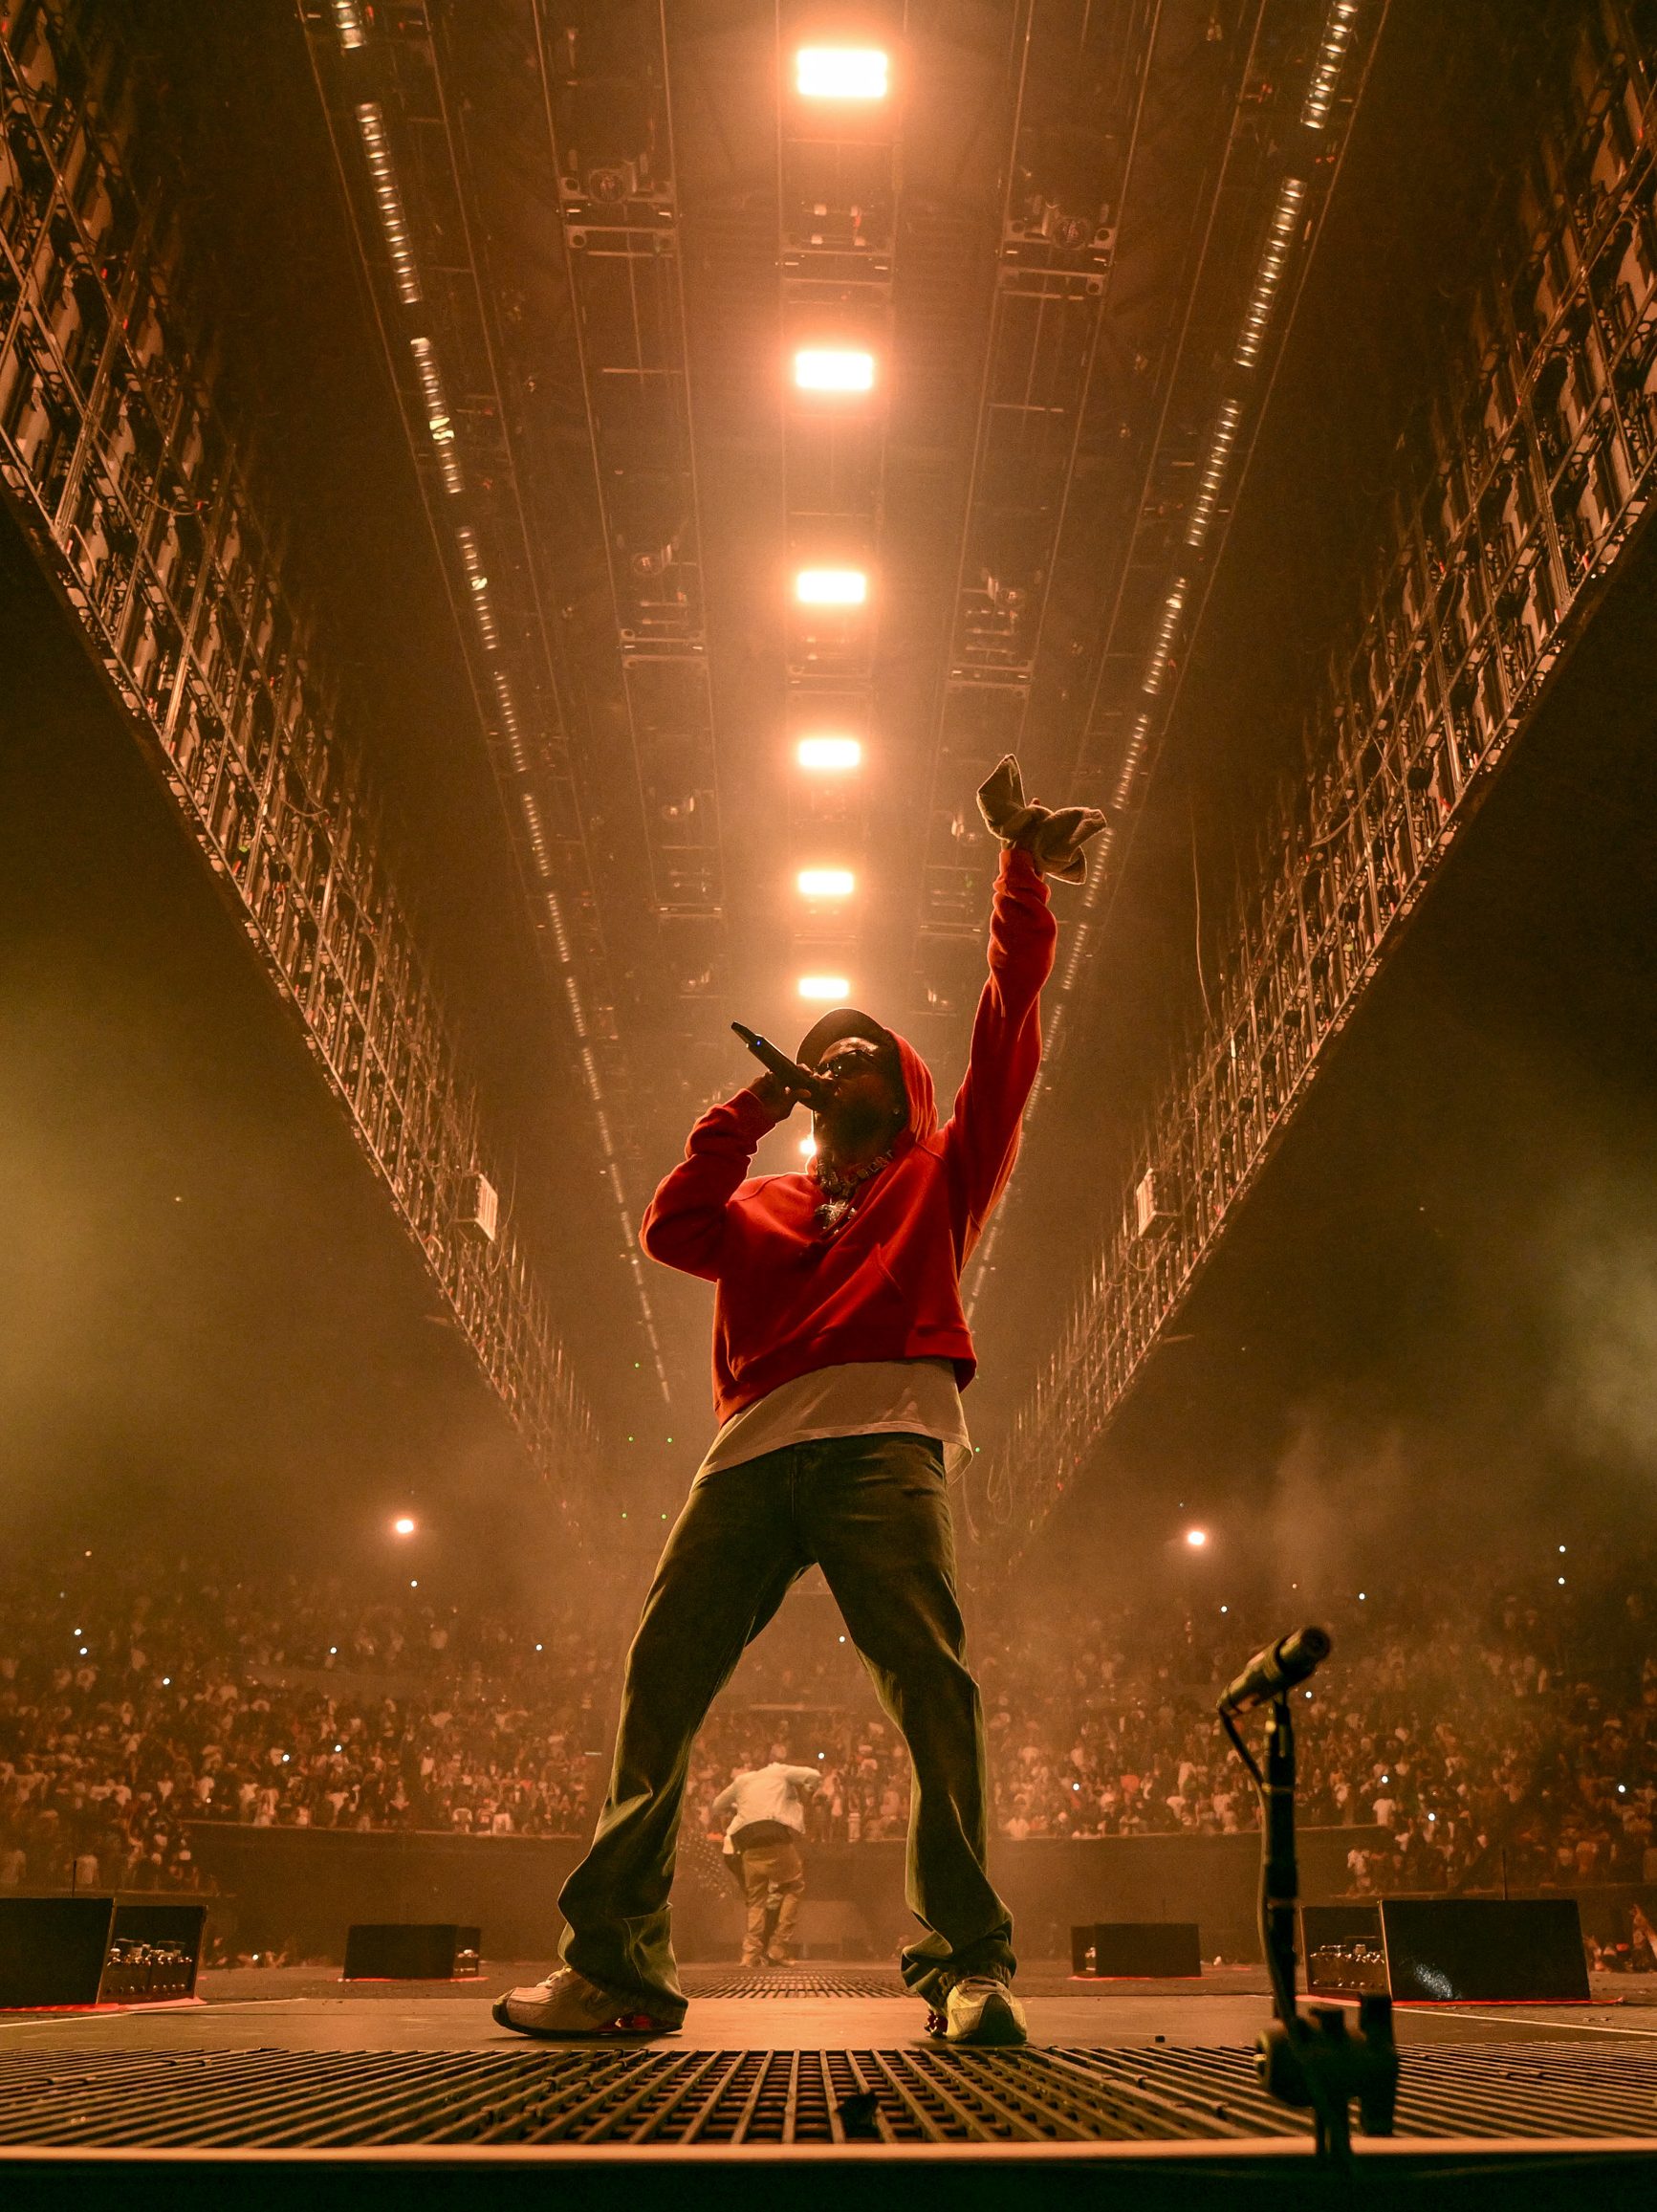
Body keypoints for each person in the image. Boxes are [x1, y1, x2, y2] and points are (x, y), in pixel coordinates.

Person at [495, 756, 1104, 2046]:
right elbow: (670, 1228)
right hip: (747, 1456)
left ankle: (969, 1964)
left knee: (930, 1689)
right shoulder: (764, 1203)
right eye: (819, 1055)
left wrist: (1019, 872)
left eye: (861, 1053)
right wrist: (747, 1106)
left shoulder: (942, 1174)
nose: (838, 1062)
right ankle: (614, 1967)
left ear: (903, 1087)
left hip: (886, 1443)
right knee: (661, 1682)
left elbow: (1007, 1019)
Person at [711, 1755, 820, 1968]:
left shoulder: (742, 1780)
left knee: (756, 1899)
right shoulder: (779, 1770)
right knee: (794, 1886)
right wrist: (809, 1790)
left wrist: (738, 1806)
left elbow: (716, 1805)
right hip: (774, 1836)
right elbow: (814, 1775)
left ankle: (749, 1954)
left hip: (747, 1843)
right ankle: (778, 1945)